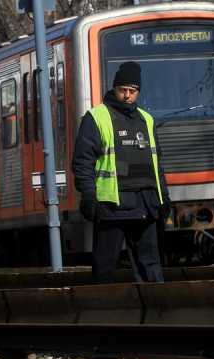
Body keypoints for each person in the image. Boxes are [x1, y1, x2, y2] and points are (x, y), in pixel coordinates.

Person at [72, 61, 171, 283]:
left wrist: (164, 197)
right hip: (110, 206)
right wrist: (89, 197)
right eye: (122, 90)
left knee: (151, 267)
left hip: (145, 203)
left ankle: (155, 310)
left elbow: (157, 164)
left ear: (138, 92)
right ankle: (102, 310)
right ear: (114, 88)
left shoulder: (147, 119)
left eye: (132, 91)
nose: (127, 95)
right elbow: (82, 163)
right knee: (105, 266)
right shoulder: (96, 118)